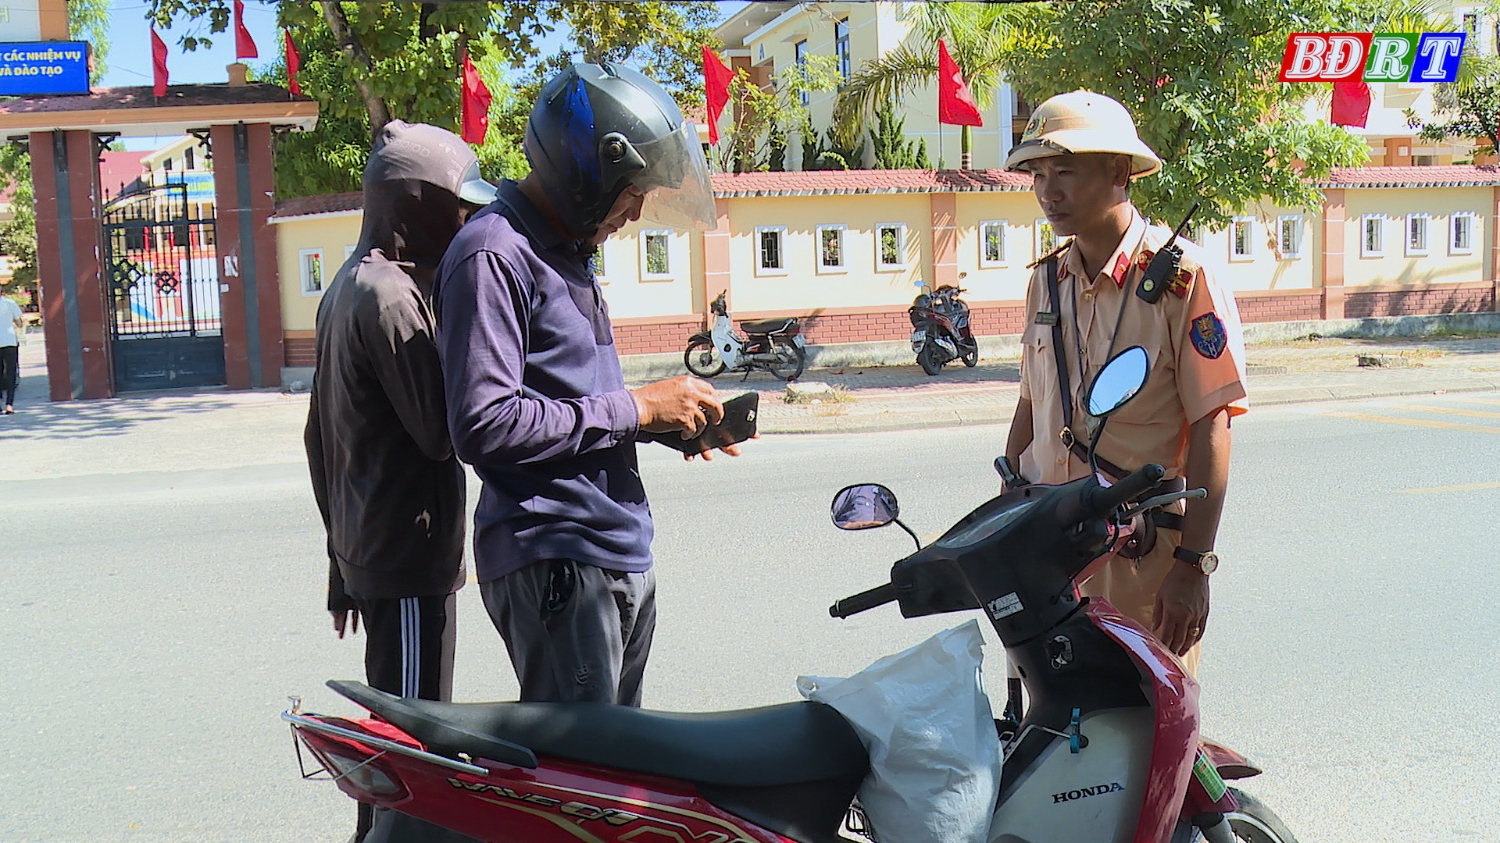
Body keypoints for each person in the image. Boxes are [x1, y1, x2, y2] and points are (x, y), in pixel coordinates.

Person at [434, 63, 731, 706]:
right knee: (584, 786)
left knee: (620, 775)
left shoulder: (563, 251)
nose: (635, 211)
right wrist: (635, 408)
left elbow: (571, 399)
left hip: (611, 548)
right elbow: (484, 423)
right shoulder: (494, 254)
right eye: (632, 192)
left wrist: (664, 420)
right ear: (587, 175)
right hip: (558, 554)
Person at [1000, 91, 1248, 672]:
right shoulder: (1047, 282)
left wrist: (1194, 566)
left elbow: (1212, 424)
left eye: (1064, 171)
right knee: (1049, 738)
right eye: (1038, 174)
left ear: (1118, 172)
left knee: (1146, 741)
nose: (1047, 191)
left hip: (1140, 564)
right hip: (1048, 562)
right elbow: (1031, 407)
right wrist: (1008, 496)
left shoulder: (1182, 278)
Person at [303, 120, 496, 843]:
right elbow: (443, 431)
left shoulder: (345, 286)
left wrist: (337, 564)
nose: (467, 224)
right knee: (413, 749)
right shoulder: (391, 298)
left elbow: (317, 436)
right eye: (457, 209)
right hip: (407, 560)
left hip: (369, 553)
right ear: (416, 207)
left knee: (391, 737)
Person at [0, 293, 23, 414]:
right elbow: (19, 323)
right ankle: (9, 404)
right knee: (11, 372)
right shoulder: (10, 303)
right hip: (9, 340)